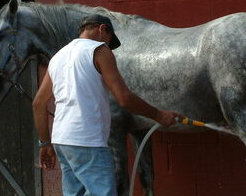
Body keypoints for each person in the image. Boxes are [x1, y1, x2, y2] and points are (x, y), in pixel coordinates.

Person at [32, 14, 181, 196]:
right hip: (87, 140)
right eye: (110, 41)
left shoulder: (58, 57)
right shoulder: (99, 50)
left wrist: (45, 143)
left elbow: (38, 103)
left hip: (62, 141)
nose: (109, 46)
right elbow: (124, 98)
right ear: (103, 29)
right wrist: (159, 115)